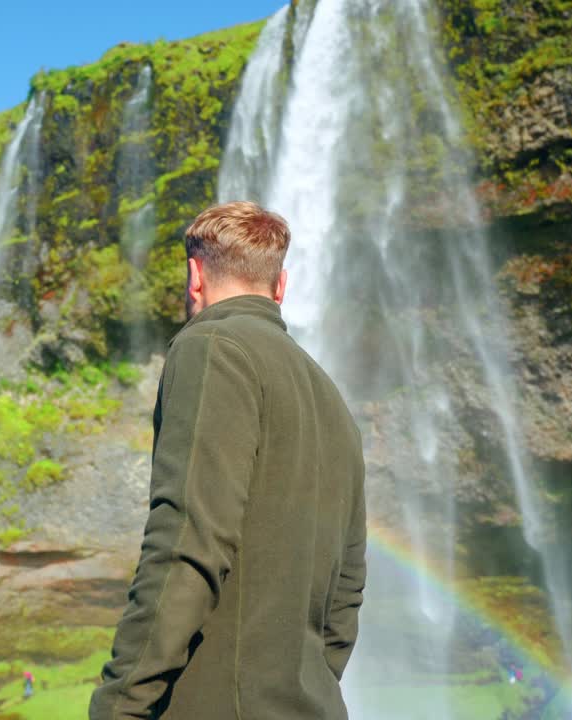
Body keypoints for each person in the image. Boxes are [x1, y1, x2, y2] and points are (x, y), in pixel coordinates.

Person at [89, 202, 367, 720]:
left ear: (195, 276)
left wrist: (120, 706)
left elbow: (186, 544)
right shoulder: (332, 398)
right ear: (280, 287)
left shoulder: (211, 348)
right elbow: (346, 593)